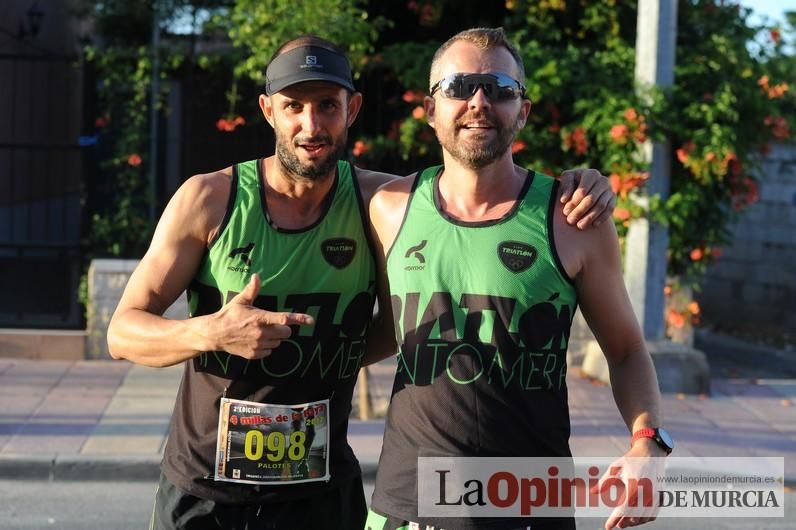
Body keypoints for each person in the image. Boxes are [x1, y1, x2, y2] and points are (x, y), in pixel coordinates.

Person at [107, 35, 616, 530]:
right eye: (294, 107)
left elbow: (461, 209)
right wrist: (212, 333)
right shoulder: (210, 199)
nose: (312, 124)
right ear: (268, 111)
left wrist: (583, 182)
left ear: (351, 110)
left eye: (327, 105)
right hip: (204, 492)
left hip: (321, 493)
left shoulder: (380, 205)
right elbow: (123, 332)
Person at [366, 27, 671, 530]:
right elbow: (376, 330)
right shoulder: (390, 208)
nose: (479, 102)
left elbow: (626, 350)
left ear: (522, 111)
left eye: (501, 90)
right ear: (430, 109)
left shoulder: (573, 219)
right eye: (460, 87)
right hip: (405, 507)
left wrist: (648, 443)